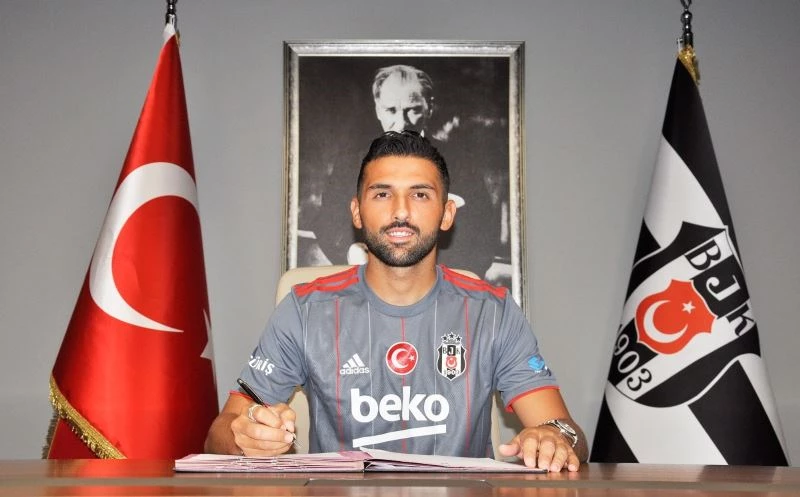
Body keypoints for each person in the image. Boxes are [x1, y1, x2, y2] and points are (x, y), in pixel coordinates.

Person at [205, 131, 588, 472]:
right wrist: (246, 435)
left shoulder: (493, 312)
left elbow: (567, 431)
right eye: (382, 194)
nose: (400, 211)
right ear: (357, 211)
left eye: (420, 194)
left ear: (446, 214)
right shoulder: (304, 311)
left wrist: (555, 438)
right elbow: (220, 433)